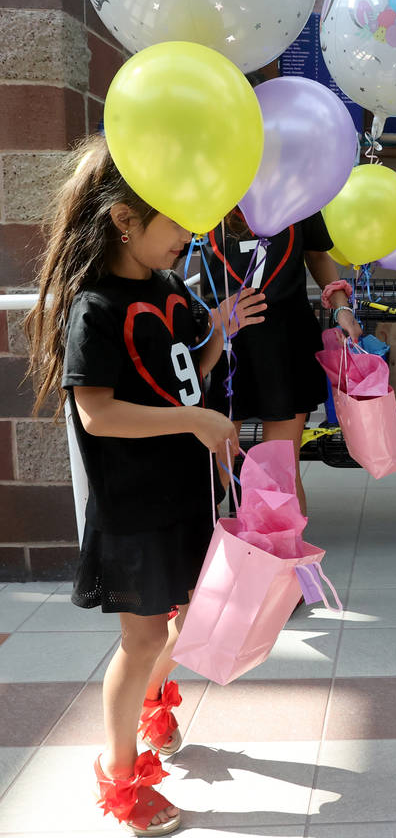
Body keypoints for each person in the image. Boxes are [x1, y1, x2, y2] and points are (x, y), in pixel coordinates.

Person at [22, 135, 265, 836]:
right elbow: (97, 413)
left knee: (184, 620)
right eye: (178, 221)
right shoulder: (94, 307)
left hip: (185, 497)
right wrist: (195, 420)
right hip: (133, 508)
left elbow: (181, 367)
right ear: (126, 218)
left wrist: (217, 332)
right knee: (141, 639)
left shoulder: (171, 287)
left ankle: (157, 709)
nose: (190, 235)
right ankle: (120, 775)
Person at [202, 205, 361, 514]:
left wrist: (342, 307)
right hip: (222, 341)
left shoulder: (297, 184)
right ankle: (208, 557)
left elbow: (316, 254)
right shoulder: (208, 177)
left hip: (286, 339)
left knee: (279, 473)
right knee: (213, 470)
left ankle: (284, 559)